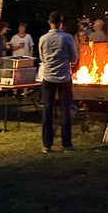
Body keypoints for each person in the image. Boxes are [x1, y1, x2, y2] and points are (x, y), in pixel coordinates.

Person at [39, 10, 78, 153]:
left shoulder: (43, 39)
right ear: (61, 22)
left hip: (48, 77)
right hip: (64, 78)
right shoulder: (67, 38)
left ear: (49, 22)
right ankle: (66, 144)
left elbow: (42, 58)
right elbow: (73, 58)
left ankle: (47, 145)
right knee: (65, 110)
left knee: (48, 110)